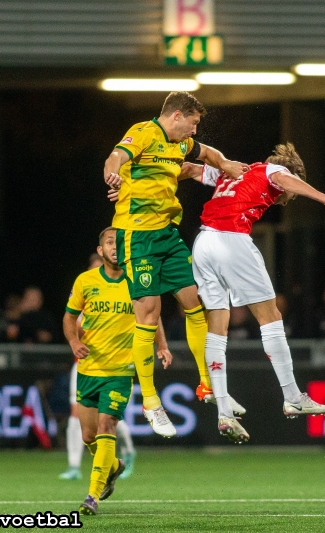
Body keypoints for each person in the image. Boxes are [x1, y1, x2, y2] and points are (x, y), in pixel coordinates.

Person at [184, 142, 325, 442]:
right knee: (271, 316)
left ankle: (224, 411)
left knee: (217, 326)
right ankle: (292, 395)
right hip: (231, 240)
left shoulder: (232, 170)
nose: (287, 199)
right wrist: (321, 197)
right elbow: (283, 179)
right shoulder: (271, 170)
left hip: (203, 243)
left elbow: (186, 169)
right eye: (294, 192)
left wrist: (142, 186)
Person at [103, 90, 248, 436]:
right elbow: (114, 157)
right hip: (136, 236)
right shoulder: (143, 133)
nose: (195, 132)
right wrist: (114, 175)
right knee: (149, 313)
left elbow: (204, 155)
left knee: (194, 303)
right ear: (178, 115)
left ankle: (206, 384)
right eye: (193, 123)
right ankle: (151, 402)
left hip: (167, 235)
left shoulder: (178, 146)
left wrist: (223, 165)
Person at [64, 227, 173, 515]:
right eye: (110, 242)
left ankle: (92, 496)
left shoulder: (138, 280)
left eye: (120, 242)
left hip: (122, 370)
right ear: (100, 251)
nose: (115, 246)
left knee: (106, 427)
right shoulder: (86, 281)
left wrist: (161, 345)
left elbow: (152, 315)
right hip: (89, 368)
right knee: (88, 436)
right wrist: (74, 341)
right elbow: (69, 316)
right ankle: (113, 466)